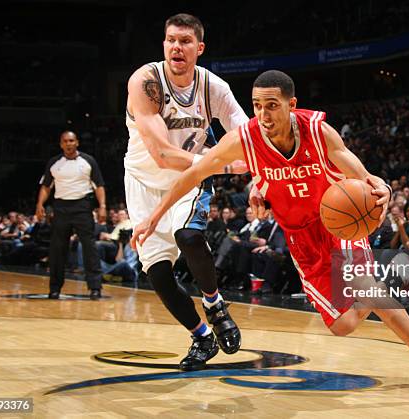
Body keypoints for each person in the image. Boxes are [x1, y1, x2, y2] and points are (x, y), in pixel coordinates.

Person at [131, 70, 409, 405]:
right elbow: (194, 174)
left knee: (367, 289)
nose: (263, 115)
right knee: (343, 325)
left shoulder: (318, 132)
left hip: (337, 227)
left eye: (272, 105)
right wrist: (154, 217)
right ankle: (395, 277)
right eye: (257, 106)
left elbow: (362, 176)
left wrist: (380, 188)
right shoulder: (245, 138)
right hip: (301, 240)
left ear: (292, 105)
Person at [124, 13, 248, 371]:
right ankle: (202, 336)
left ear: (199, 48)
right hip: (144, 181)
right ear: (164, 44)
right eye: (171, 40)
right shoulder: (146, 81)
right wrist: (224, 165)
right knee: (158, 275)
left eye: (185, 41)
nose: (176, 47)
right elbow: (162, 154)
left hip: (190, 178)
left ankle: (213, 301)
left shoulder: (214, 88)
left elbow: (245, 133)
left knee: (190, 234)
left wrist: (261, 170)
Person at [35, 131, 106, 300]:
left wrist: (102, 206)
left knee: (89, 247)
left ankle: (95, 287)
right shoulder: (54, 163)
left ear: (77, 143)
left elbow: (99, 186)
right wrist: (39, 204)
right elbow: (46, 186)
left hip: (82, 206)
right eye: (65, 141)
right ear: (61, 144)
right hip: (61, 208)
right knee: (57, 249)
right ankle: (54, 288)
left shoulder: (88, 161)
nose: (68, 143)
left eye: (71, 140)